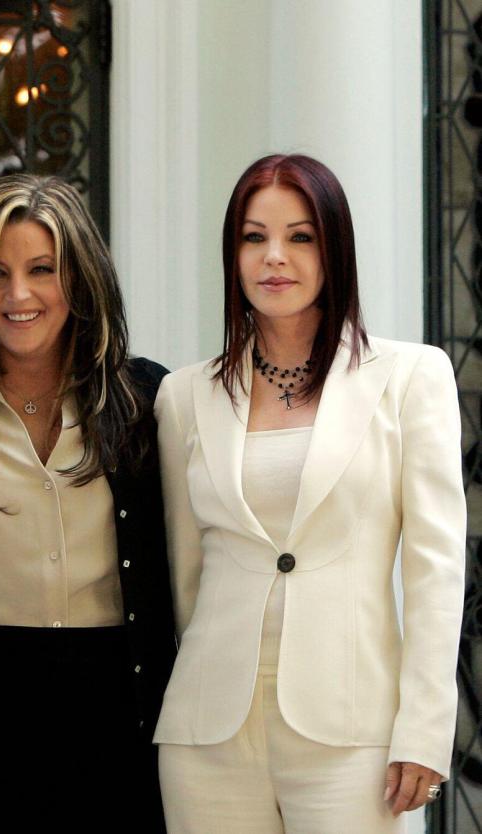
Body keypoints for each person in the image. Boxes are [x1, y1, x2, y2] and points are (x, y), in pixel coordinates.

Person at [155, 153, 466, 832]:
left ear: (335, 250)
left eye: (300, 237)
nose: (275, 257)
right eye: (252, 236)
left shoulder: (412, 377)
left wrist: (424, 729)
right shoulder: (183, 396)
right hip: (208, 733)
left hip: (353, 734)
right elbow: (185, 577)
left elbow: (436, 572)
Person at [0, 174, 176, 831]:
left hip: (121, 700)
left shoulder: (149, 402)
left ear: (82, 279)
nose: (18, 295)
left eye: (42, 270)